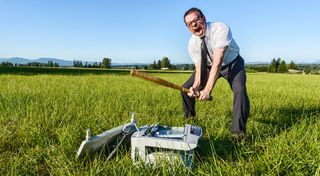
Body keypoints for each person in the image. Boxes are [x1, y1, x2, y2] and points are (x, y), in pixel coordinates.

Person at [181, 7, 250, 141]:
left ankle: (238, 134)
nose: (194, 24)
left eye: (196, 20)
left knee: (240, 90)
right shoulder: (192, 43)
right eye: (190, 24)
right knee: (186, 89)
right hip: (207, 66)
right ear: (188, 27)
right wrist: (196, 86)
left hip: (232, 63)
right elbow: (199, 69)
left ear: (204, 18)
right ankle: (190, 125)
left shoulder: (220, 28)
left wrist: (207, 90)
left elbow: (218, 61)